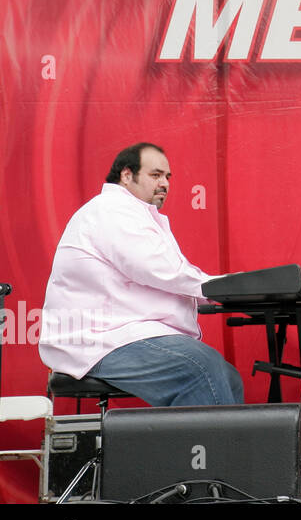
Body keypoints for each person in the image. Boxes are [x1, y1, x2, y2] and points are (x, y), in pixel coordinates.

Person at [39, 143, 243, 407]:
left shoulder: (137, 215)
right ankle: (209, 449)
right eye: (155, 175)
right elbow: (160, 269)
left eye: (167, 177)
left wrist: (222, 291)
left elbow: (169, 275)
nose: (165, 183)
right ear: (127, 175)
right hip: (100, 340)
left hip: (127, 333)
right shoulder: (110, 210)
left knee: (228, 376)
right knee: (201, 371)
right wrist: (224, 288)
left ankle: (213, 447)